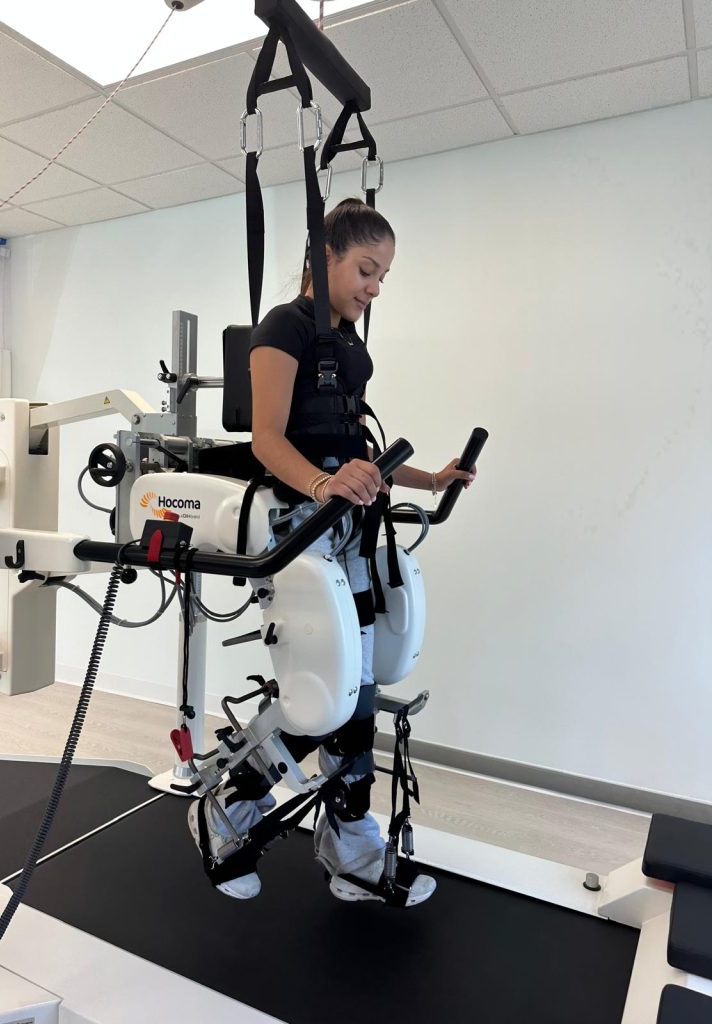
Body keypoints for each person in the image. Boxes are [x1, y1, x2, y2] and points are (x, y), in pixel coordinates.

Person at [189, 198, 475, 906]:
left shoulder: (344, 340)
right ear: (326, 257)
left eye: (383, 277)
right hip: (301, 532)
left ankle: (347, 840)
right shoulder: (283, 327)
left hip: (351, 533)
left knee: (356, 693)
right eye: (366, 270)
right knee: (323, 691)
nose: (374, 288)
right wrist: (323, 485)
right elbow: (267, 441)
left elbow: (356, 455)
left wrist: (432, 478)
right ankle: (229, 806)